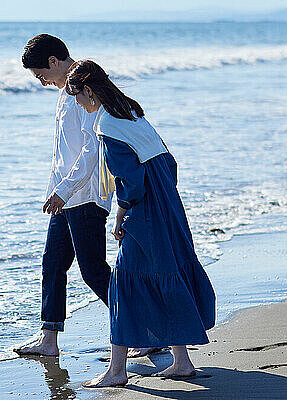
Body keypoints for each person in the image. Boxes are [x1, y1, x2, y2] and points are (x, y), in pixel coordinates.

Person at [65, 60, 216, 387]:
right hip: (168, 204)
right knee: (166, 273)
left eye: (76, 94)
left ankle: (117, 371)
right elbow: (170, 164)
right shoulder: (133, 115)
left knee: (124, 284)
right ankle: (182, 362)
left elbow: (130, 181)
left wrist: (121, 214)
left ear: (89, 91)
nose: (76, 102)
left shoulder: (107, 124)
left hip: (145, 209)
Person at [13, 34, 113, 357]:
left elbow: (90, 148)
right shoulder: (62, 92)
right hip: (64, 199)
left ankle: (146, 329)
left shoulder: (82, 87)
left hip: (84, 196)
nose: (40, 81)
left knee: (94, 271)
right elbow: (62, 153)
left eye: (40, 73)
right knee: (53, 263)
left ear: (54, 62)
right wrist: (55, 192)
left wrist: (65, 190)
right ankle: (49, 340)